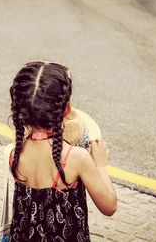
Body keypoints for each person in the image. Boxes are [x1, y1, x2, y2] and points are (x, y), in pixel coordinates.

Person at [8, 61, 117, 241]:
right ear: (67, 108)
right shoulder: (76, 157)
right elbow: (109, 206)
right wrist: (100, 166)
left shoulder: (16, 154)